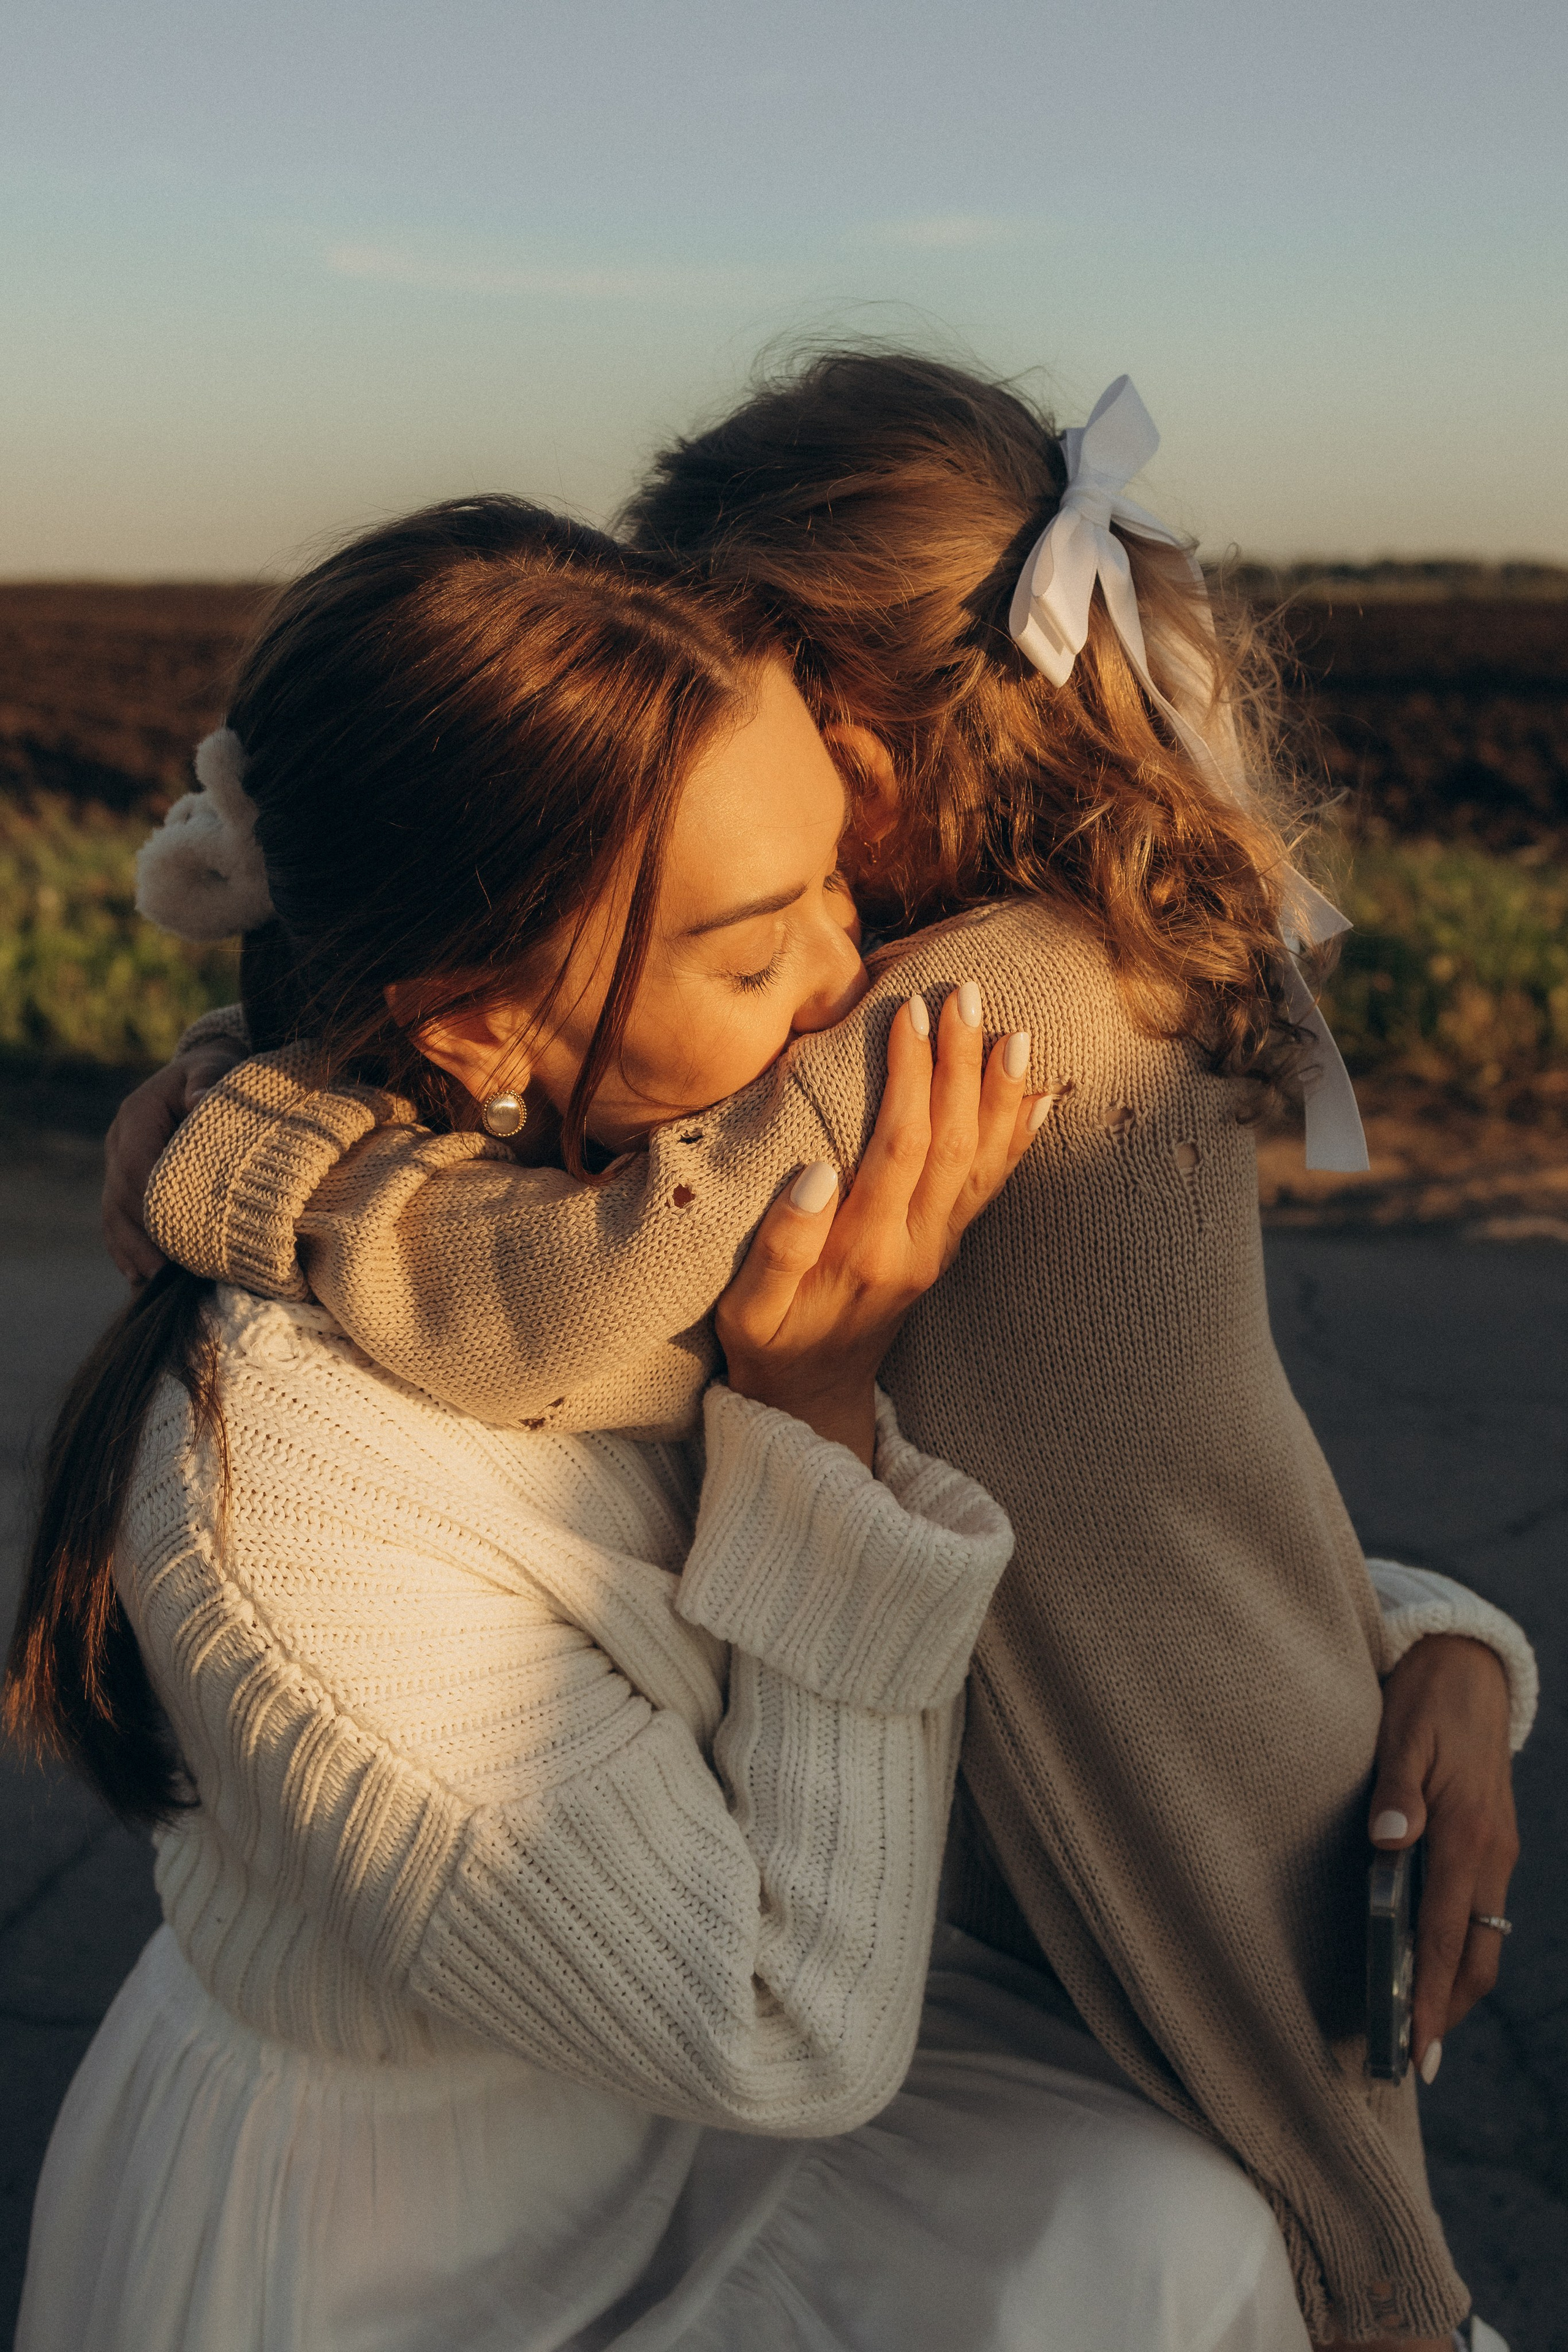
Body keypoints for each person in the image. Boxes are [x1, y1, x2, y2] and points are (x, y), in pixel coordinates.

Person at [102, 361, 1529, 2351]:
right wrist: (1442, 1636)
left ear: (845, 736)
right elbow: (1139, 1465)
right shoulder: (1090, 938)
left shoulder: (963, 1020)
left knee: (1340, 2246)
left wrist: (263, 1162)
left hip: (1163, 1811)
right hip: (1212, 1726)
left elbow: (574, 1308)